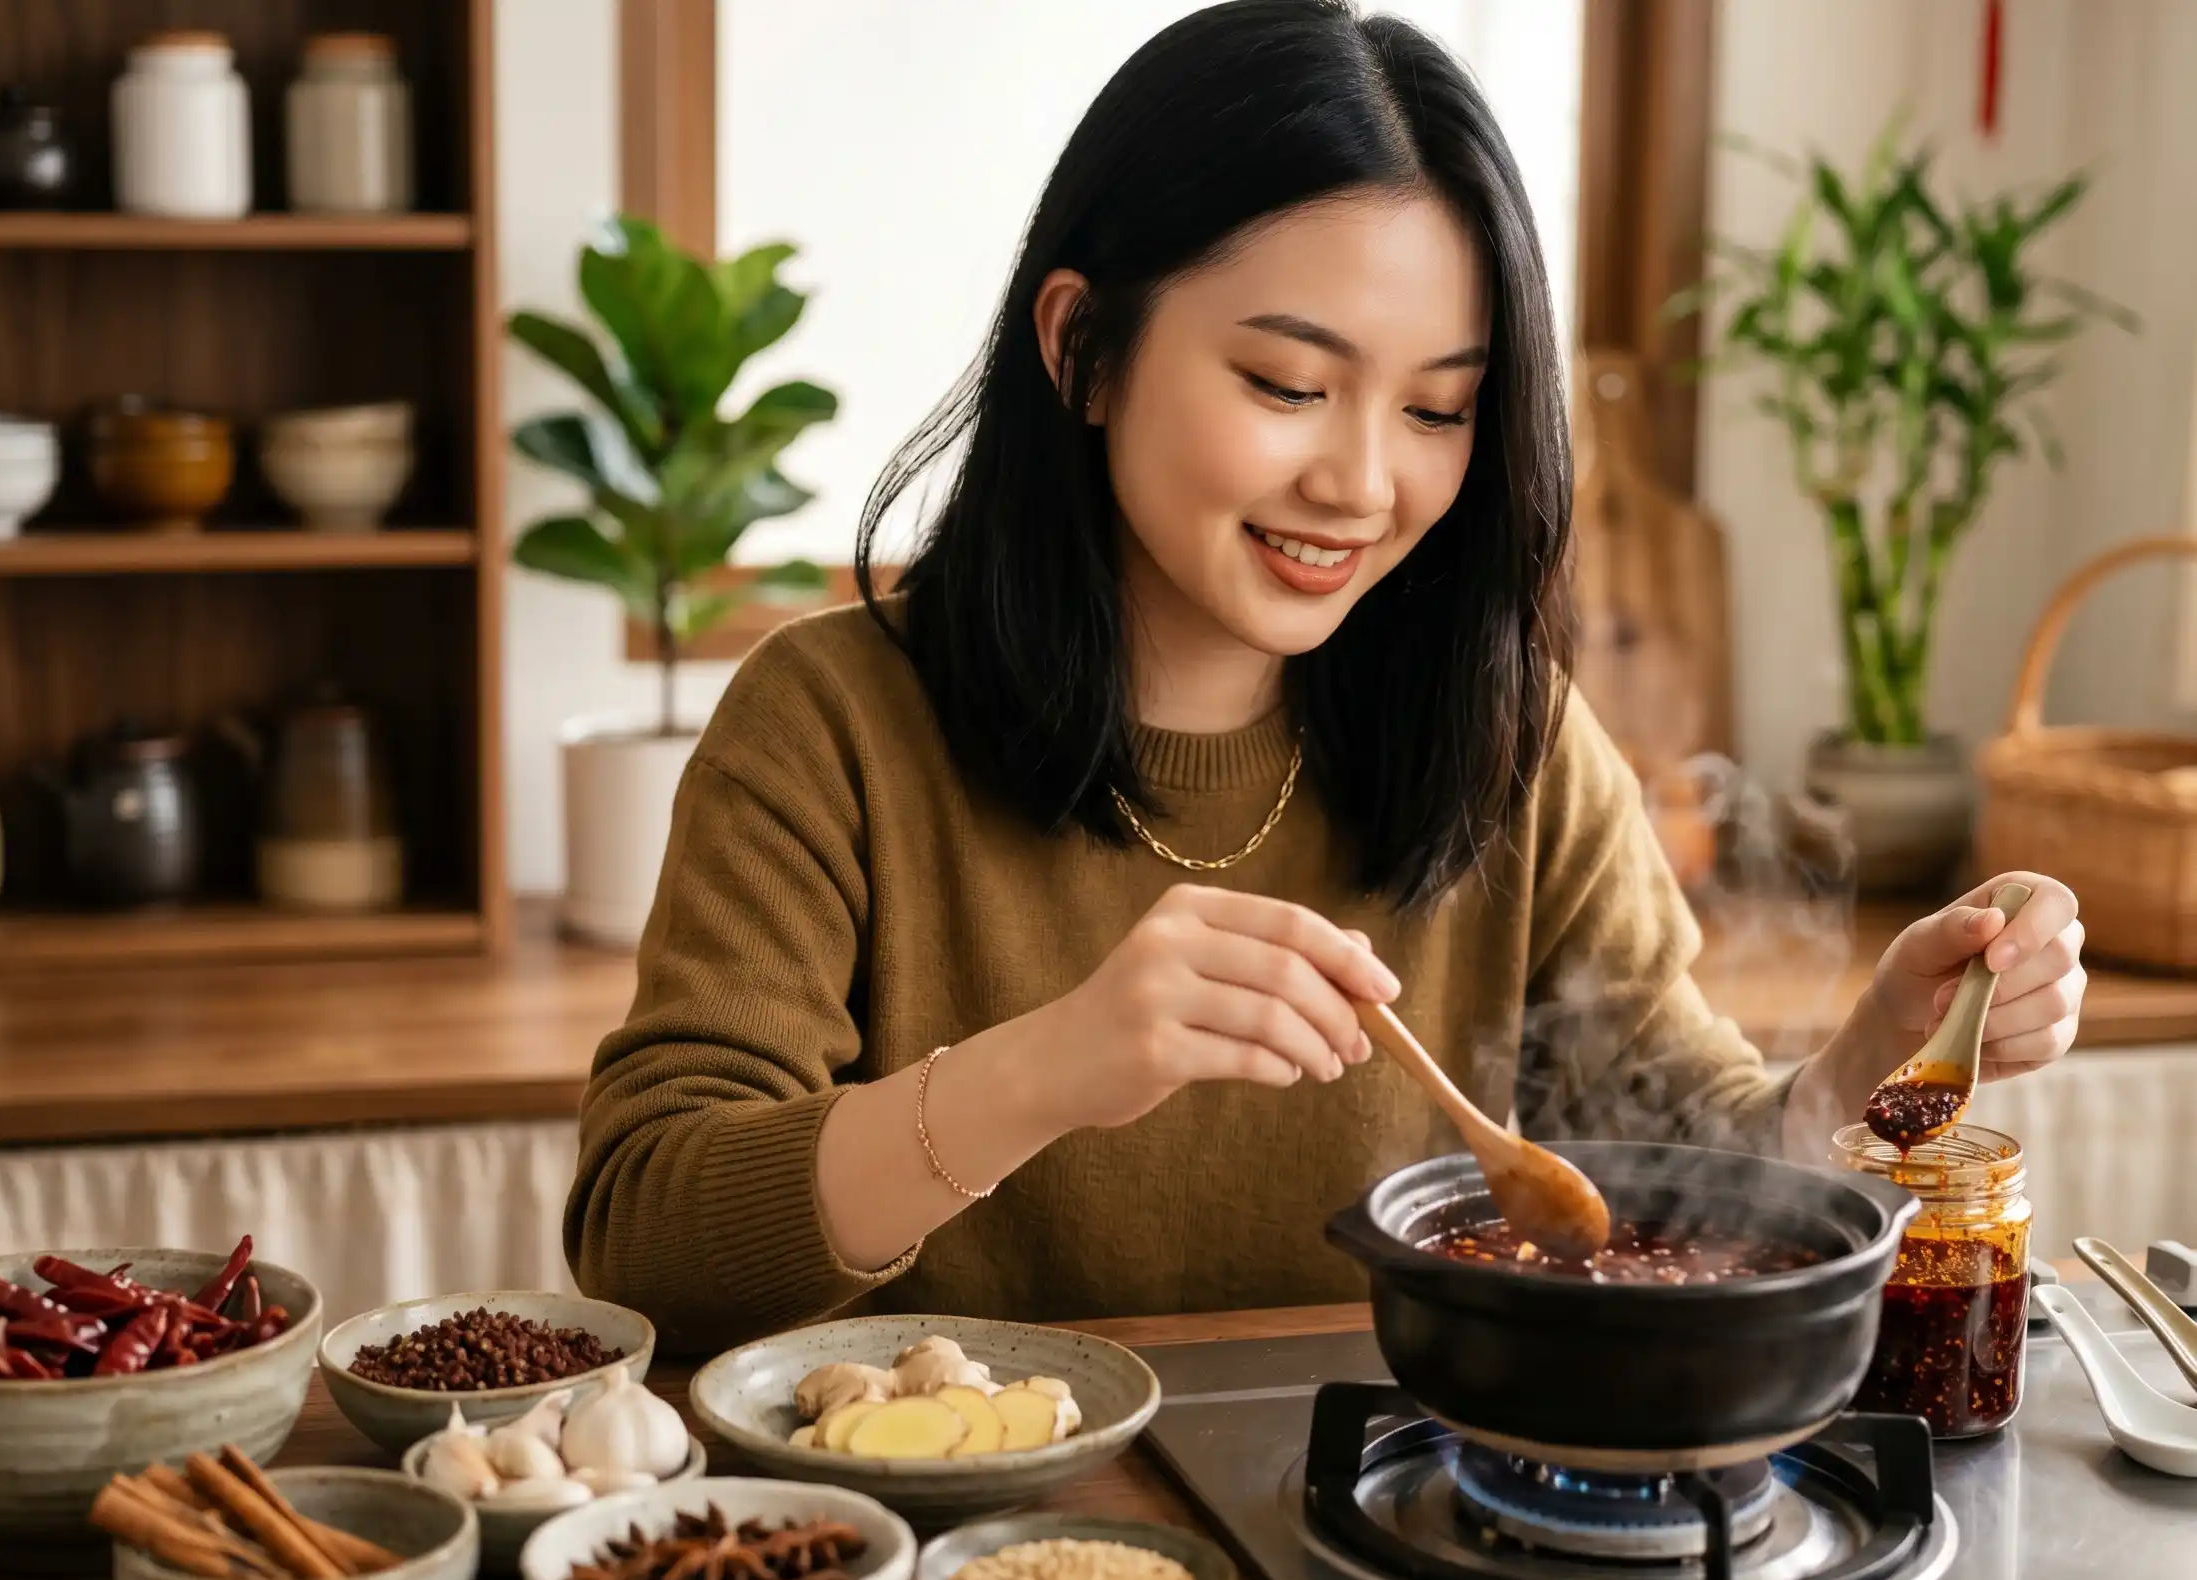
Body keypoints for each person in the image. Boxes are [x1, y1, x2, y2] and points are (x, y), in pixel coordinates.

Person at [565, 0, 2086, 1351]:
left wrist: (1882, 1053)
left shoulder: (1509, 744)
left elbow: (1691, 1187)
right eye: (1288, 386)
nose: (1362, 483)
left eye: (1436, 410)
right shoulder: (830, 726)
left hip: (1403, 1524)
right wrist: (1047, 1069)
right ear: (1082, 348)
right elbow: (649, 1243)